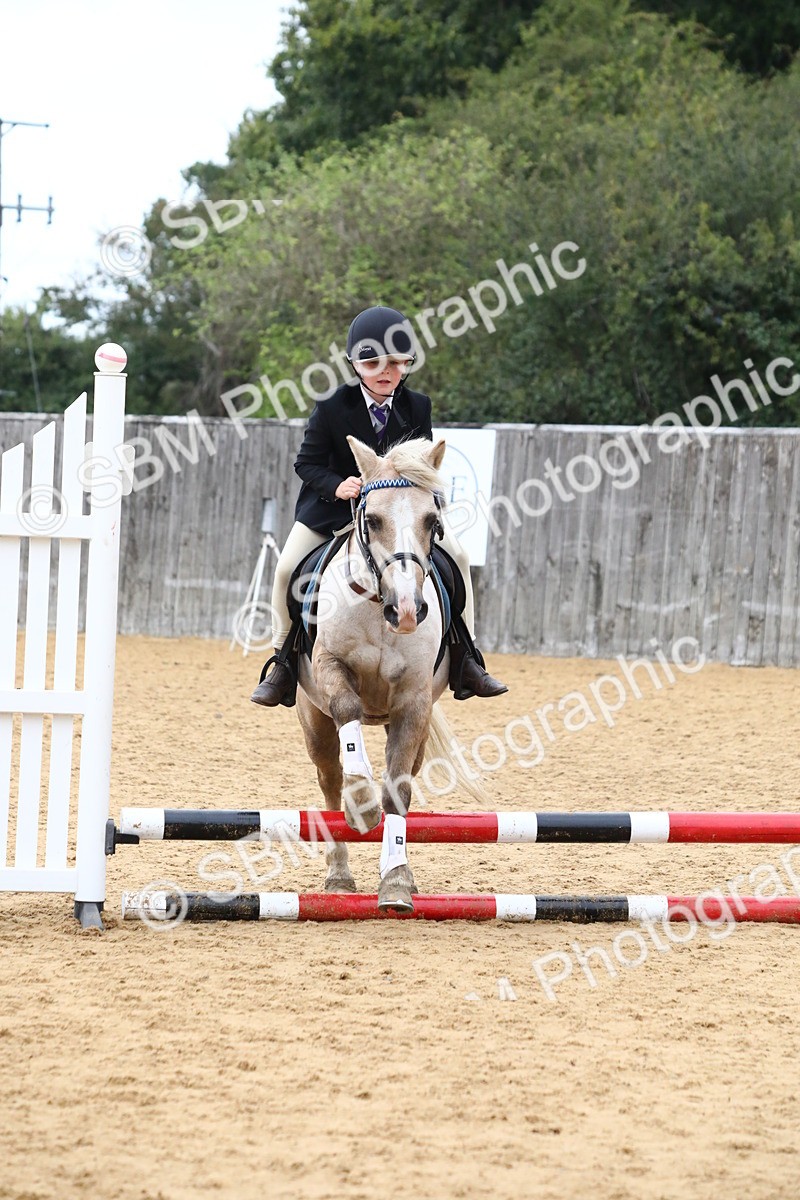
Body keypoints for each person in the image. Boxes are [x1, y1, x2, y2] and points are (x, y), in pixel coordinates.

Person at [251, 305, 507, 706]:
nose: (384, 371)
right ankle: (282, 661)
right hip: (333, 512)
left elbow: (423, 465)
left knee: (457, 555)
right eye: (372, 363)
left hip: (399, 517)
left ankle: (466, 657)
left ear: (406, 364)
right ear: (355, 365)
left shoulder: (417, 406)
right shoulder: (332, 407)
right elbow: (307, 463)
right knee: (286, 570)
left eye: (395, 362)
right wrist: (339, 486)